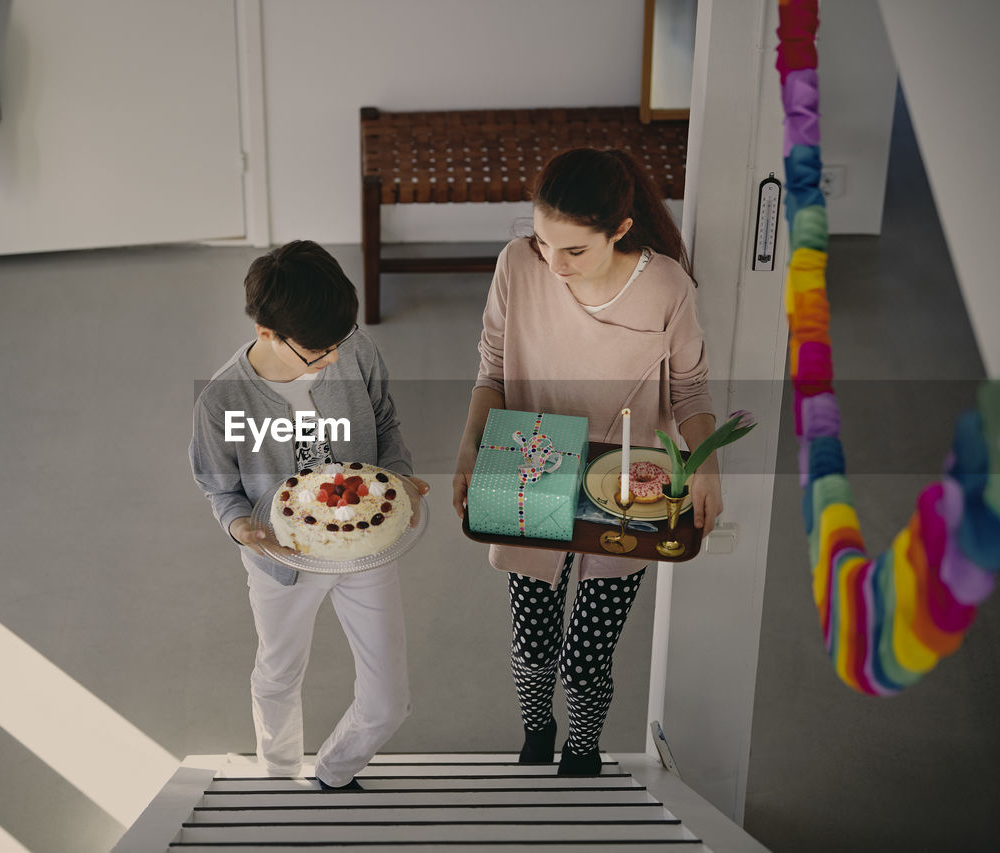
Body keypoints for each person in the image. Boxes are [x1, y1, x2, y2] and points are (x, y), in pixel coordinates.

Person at [451, 148, 723, 776]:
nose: (553, 262)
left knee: (589, 652)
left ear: (620, 231)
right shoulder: (518, 266)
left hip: (626, 484)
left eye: (574, 250)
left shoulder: (667, 288)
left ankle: (583, 749)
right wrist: (470, 445)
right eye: (543, 242)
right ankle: (537, 729)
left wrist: (705, 464)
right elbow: (492, 366)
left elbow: (690, 390)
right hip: (529, 467)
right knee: (531, 643)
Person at [190, 240, 429, 790]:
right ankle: (277, 779)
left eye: (340, 342)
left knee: (389, 700)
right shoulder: (223, 400)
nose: (336, 358)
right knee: (277, 673)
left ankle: (335, 771)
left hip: (368, 551)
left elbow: (386, 422)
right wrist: (238, 526)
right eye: (319, 352)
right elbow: (217, 484)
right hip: (281, 560)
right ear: (268, 333)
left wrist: (398, 474)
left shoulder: (354, 348)